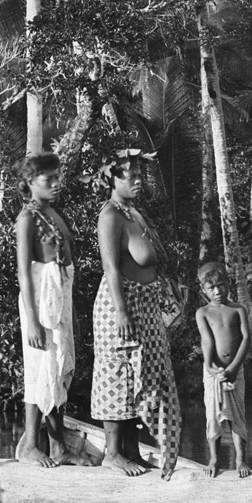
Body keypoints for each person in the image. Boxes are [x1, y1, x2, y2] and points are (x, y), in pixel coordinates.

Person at [89, 147, 180, 478]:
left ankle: (131, 449)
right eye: (132, 176)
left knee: (143, 375)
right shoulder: (110, 216)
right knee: (119, 371)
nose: (139, 181)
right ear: (113, 178)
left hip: (145, 303)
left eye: (142, 175)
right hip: (121, 303)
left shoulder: (133, 213)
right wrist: (122, 312)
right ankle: (112, 453)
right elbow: (111, 268)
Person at [7, 153, 77, 467]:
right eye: (49, 179)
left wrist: (71, 314)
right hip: (38, 305)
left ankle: (59, 446)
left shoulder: (53, 213)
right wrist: (33, 321)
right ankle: (31, 444)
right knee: (39, 371)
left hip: (61, 300)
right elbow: (24, 271)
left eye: (57, 178)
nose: (56, 184)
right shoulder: (27, 218)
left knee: (58, 370)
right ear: (30, 183)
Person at [192, 262, 252, 476]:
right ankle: (215, 460)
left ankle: (240, 460)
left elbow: (246, 338)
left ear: (228, 284)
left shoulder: (237, 309)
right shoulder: (203, 312)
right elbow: (206, 341)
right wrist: (210, 367)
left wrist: (235, 367)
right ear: (204, 290)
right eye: (212, 288)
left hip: (236, 370)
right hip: (214, 373)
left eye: (221, 285)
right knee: (213, 415)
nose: (218, 291)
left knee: (237, 415)